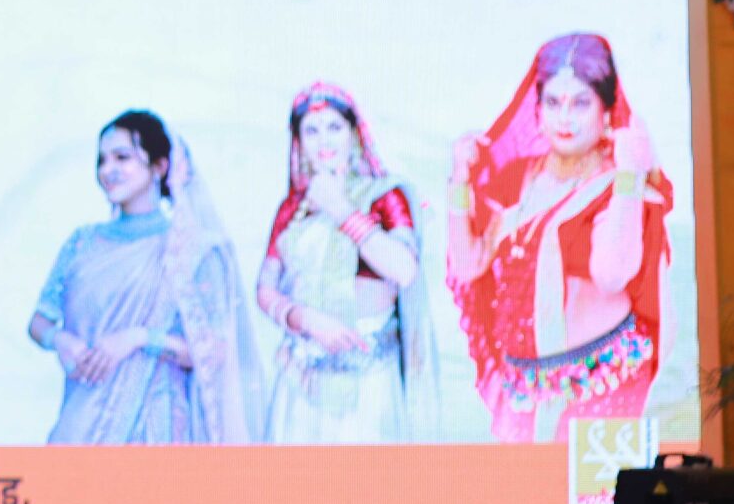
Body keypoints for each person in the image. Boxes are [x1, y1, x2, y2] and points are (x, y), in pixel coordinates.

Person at [446, 33, 672, 443]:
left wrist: (629, 177)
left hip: (601, 390)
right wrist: (459, 182)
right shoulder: (520, 179)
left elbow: (611, 275)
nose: (564, 119)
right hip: (524, 393)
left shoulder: (616, 185)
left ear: (607, 111)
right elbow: (468, 264)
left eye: (580, 103)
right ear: (537, 110)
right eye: (553, 103)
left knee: (596, 490)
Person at [27, 110, 260, 445]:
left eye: (122, 157)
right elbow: (39, 321)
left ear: (159, 167)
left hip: (156, 431)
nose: (108, 170)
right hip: (79, 424)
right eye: (102, 160)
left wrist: (139, 338)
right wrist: (59, 340)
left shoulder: (193, 250)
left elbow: (214, 352)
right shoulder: (82, 243)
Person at [254, 84, 440, 443]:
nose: (324, 139)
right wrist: (306, 319)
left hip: (368, 383)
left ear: (354, 133)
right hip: (301, 380)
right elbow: (265, 288)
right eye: (311, 130)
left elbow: (404, 271)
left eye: (334, 127)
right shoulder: (292, 207)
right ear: (298, 142)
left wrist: (340, 209)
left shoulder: (385, 196)